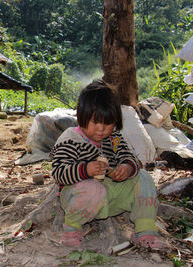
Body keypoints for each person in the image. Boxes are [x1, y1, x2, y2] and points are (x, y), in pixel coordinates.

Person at [50, 79, 167, 249]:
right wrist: (85, 170)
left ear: (116, 121)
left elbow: (130, 158)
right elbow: (59, 172)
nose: (101, 129)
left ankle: (145, 230)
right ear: (82, 117)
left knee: (143, 177)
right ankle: (72, 227)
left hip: (111, 199)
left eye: (107, 124)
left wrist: (127, 168)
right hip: (80, 198)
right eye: (95, 122)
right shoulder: (70, 139)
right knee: (93, 188)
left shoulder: (115, 139)